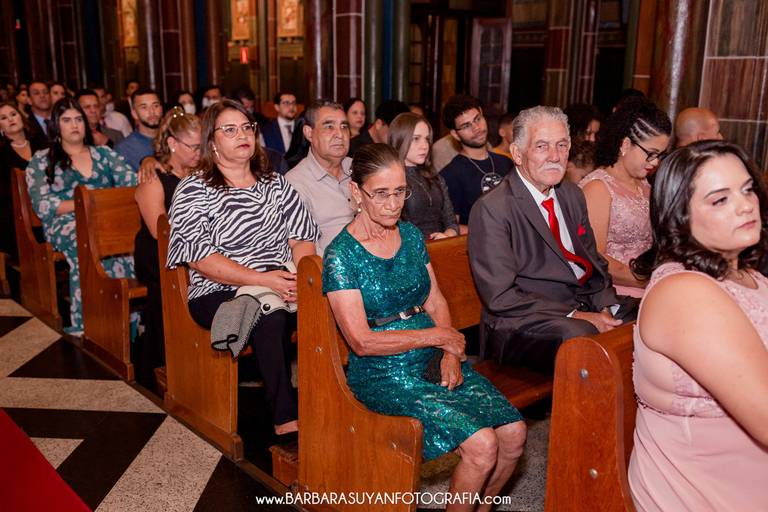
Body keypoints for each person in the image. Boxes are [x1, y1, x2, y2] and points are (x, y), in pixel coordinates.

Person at [323, 144, 526, 510]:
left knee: (514, 435)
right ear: (356, 192)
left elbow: (435, 301)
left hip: (433, 356)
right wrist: (439, 337)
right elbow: (362, 341)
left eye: (400, 191)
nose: (393, 204)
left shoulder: (412, 236)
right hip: (384, 373)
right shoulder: (341, 255)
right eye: (381, 193)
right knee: (482, 446)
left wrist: (448, 353)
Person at [627, 140, 768, 511]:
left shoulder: (747, 275)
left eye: (747, 189)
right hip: (709, 491)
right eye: (720, 199)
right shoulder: (685, 293)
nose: (745, 205)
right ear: (680, 216)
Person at [166, 99, 318, 435]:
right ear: (211, 141)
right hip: (217, 290)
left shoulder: (275, 184)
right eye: (230, 130)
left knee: (328, 301)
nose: (242, 135)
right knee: (268, 312)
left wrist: (298, 277)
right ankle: (285, 419)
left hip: (280, 277)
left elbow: (302, 238)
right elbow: (201, 259)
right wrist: (264, 280)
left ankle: (327, 400)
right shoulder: (193, 190)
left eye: (247, 127)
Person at [468, 106, 632, 373]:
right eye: (542, 146)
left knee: (649, 314)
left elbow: (594, 263)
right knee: (580, 336)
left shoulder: (571, 195)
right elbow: (501, 296)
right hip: (522, 319)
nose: (555, 156)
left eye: (562, 145)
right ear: (517, 154)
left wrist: (606, 307)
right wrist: (578, 315)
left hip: (579, 304)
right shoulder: (493, 208)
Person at [25, 98, 137, 333]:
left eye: (78, 119)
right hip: (64, 222)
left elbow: (131, 185)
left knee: (127, 239)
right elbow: (42, 204)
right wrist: (84, 204)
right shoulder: (43, 159)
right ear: (56, 126)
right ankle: (88, 323)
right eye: (67, 120)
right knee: (87, 241)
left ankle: (126, 320)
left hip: (104, 218)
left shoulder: (104, 154)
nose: (74, 125)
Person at [134, 107, 200, 388]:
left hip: (192, 249)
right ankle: (160, 364)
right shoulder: (155, 178)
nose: (199, 153)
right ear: (173, 143)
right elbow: (160, 233)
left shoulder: (199, 175)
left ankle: (201, 360)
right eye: (193, 147)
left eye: (202, 146)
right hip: (160, 255)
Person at [580, 99, 671, 297]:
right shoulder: (598, 188)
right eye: (651, 154)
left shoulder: (645, 185)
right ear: (626, 144)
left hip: (648, 283)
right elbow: (594, 258)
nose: (656, 162)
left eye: (660, 155)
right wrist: (646, 280)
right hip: (616, 292)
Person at [285, 100, 354, 254]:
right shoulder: (295, 183)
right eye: (329, 127)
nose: (340, 135)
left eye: (344, 126)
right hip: (331, 265)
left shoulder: (359, 169)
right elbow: (303, 250)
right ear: (309, 133)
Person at [440, 95, 513, 227]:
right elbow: (452, 227)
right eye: (466, 126)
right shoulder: (450, 175)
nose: (476, 128)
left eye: (477, 119)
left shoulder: (506, 162)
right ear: (455, 134)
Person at [389, 112, 458, 240]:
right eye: (416, 139)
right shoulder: (389, 180)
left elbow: (451, 221)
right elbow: (392, 229)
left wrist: (447, 235)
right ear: (400, 139)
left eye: (427, 139)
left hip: (442, 246)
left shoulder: (435, 178)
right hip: (409, 249)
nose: (425, 146)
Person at [0, 101, 49, 258]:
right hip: (14, 212)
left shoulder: (41, 143)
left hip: (47, 205)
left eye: (13, 114)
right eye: (3, 118)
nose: (10, 119)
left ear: (21, 117)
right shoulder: (1, 151)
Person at [115, 88, 163, 171]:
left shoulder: (174, 140)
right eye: (144, 107)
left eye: (155, 106)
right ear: (134, 114)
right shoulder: (124, 149)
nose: (152, 111)